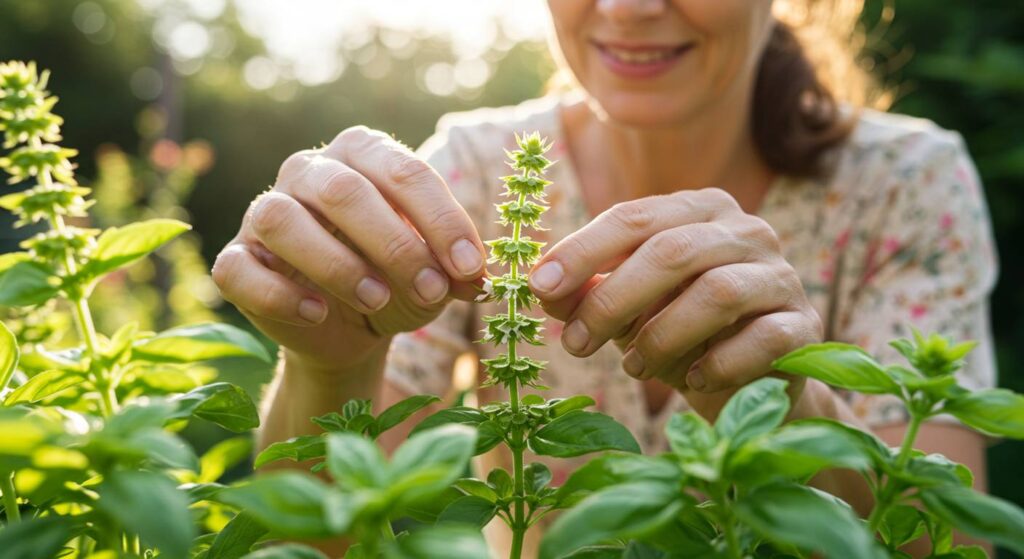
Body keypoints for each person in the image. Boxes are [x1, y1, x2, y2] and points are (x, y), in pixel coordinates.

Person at [212, 0, 998, 555]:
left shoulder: (905, 184)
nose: (626, 6)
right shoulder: (474, 176)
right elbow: (319, 537)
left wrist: (783, 405)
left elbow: (945, 541)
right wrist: (330, 361)